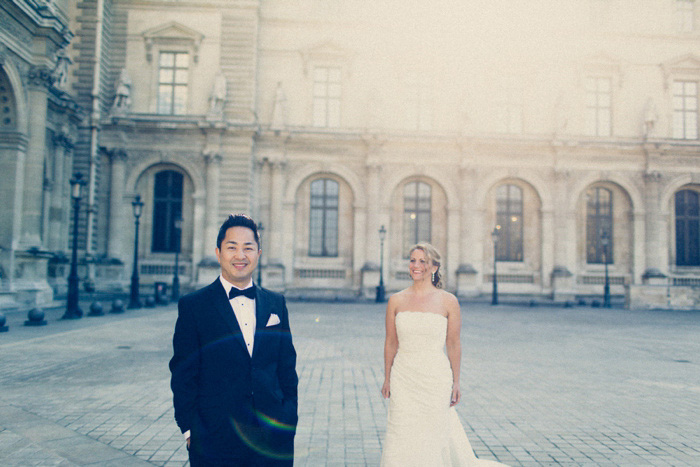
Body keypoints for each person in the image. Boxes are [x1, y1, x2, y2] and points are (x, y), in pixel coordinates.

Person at [169, 214, 298, 466]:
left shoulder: (276, 303)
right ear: (218, 253)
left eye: (248, 248)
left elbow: (287, 368)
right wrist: (189, 429)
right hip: (214, 439)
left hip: (271, 440)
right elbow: (183, 374)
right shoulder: (194, 306)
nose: (240, 256)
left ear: (258, 253)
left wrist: (288, 419)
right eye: (232, 247)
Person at [380, 243, 508, 466]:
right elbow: (391, 342)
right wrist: (387, 378)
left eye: (423, 261)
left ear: (434, 267)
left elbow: (453, 344)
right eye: (412, 260)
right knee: (401, 430)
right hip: (403, 377)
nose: (416, 265)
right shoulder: (396, 300)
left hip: (435, 377)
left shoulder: (449, 301)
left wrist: (456, 382)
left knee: (433, 433)